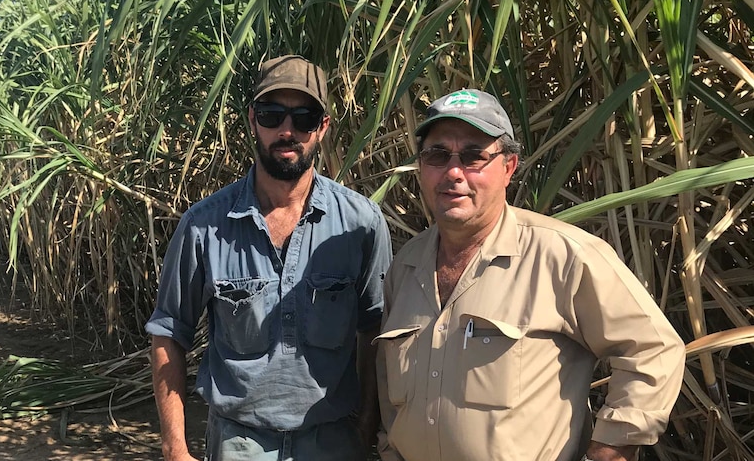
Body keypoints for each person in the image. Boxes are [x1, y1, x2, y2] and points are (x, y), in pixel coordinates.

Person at [376, 89, 686, 461]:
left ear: (508, 167)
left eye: (474, 156)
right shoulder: (405, 267)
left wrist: (609, 450)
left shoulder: (563, 256)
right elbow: (391, 399)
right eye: (437, 155)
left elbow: (653, 349)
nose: (453, 172)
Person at [146, 55, 392, 461]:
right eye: (272, 114)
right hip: (238, 443)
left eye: (305, 117)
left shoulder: (361, 223)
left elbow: (375, 330)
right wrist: (175, 448)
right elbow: (168, 333)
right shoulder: (203, 226)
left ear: (323, 127)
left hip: (333, 442)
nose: (287, 130)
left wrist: (366, 424)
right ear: (252, 120)